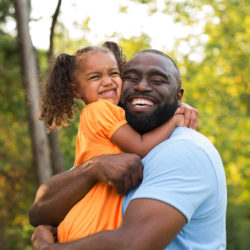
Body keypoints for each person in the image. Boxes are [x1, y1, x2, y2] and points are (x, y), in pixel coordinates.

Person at [31, 49, 226, 250]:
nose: (141, 86)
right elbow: (38, 213)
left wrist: (47, 248)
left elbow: (131, 244)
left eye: (158, 81)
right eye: (131, 78)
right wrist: (92, 169)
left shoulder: (184, 150)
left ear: (178, 96)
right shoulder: (111, 145)